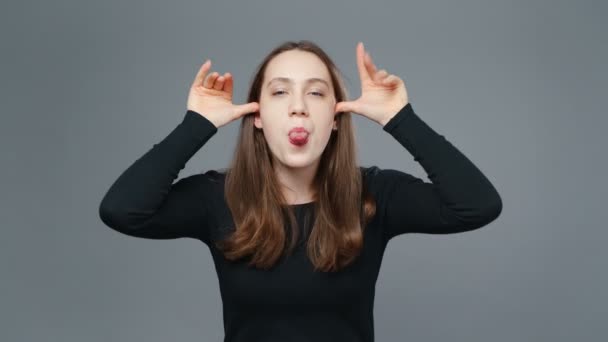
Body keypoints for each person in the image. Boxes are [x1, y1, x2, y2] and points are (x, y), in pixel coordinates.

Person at [99, 40, 502, 342]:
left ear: (336, 117)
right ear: (256, 116)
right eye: (279, 92)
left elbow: (477, 205)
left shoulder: (375, 194)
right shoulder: (218, 197)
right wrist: (197, 124)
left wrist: (400, 118)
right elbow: (122, 210)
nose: (298, 107)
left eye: (315, 92)